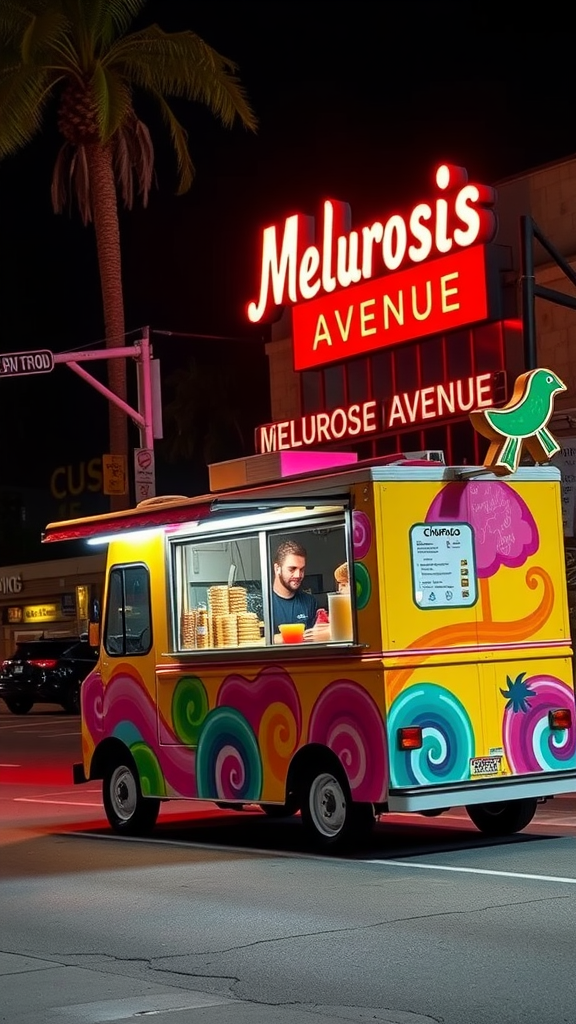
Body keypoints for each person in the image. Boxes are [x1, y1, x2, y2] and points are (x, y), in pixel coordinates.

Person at [272, 539, 318, 639]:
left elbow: (315, 640)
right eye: (292, 569)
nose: (298, 575)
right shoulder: (262, 604)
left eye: (301, 569)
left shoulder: (310, 602)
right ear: (277, 569)